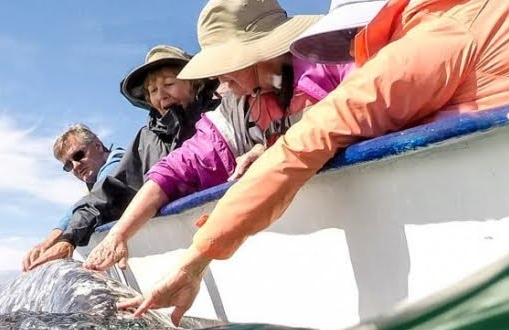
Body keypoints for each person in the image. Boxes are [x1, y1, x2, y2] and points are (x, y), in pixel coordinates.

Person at [121, 0, 509, 325]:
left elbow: (303, 145)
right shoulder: (492, 13)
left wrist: (196, 259)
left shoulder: (431, 42)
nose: (352, 56)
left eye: (355, 41)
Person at [85, 0, 343, 272]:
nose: (220, 78)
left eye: (226, 63)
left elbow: (359, 110)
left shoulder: (335, 60)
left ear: (261, 51)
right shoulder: (235, 109)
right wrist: (119, 234)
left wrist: (274, 149)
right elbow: (179, 167)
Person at [21, 45, 219, 271]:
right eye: (153, 90)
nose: (161, 95)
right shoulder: (146, 140)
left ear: (194, 83)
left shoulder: (222, 117)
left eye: (169, 84)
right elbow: (109, 193)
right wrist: (69, 238)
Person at [20, 125, 126, 271]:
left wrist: (66, 240)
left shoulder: (120, 164)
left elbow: (95, 199)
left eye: (78, 155)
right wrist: (48, 243)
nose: (75, 166)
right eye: (68, 165)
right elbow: (84, 205)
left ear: (98, 146)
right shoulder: (94, 184)